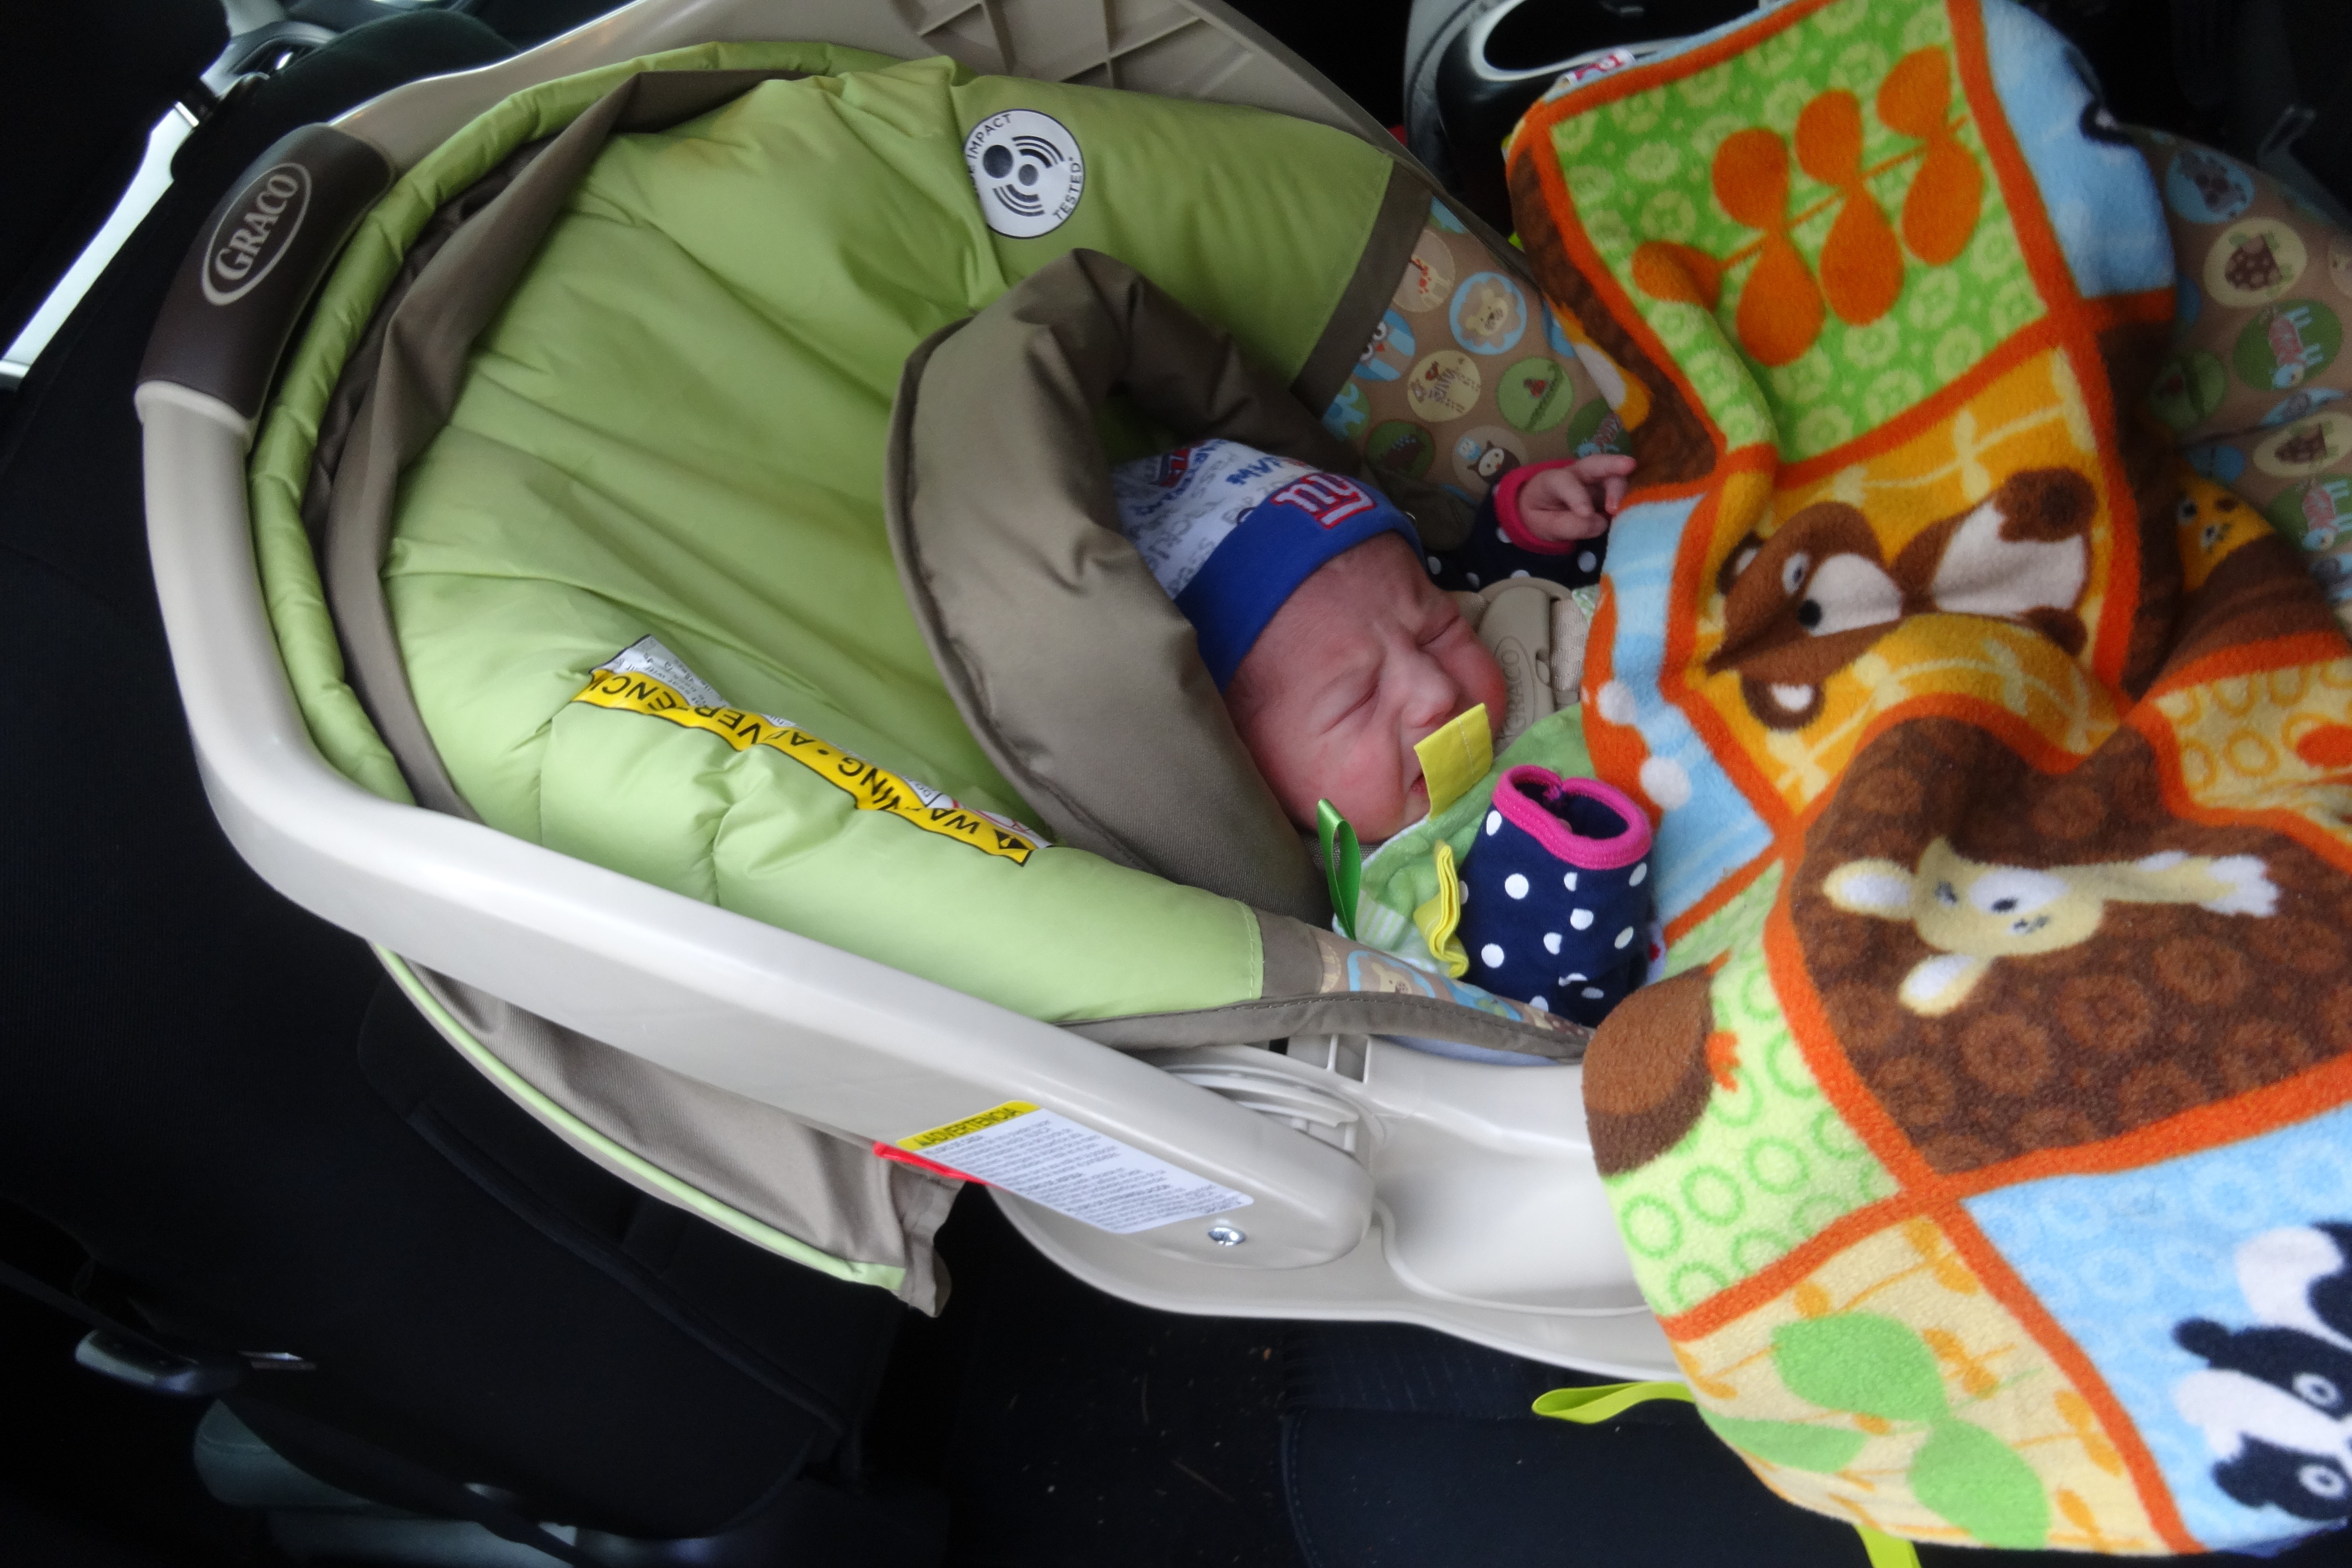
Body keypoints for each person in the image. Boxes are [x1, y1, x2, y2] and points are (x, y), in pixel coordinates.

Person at [1111, 438, 1652, 1020]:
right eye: (1361, 697)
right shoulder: (1310, 898)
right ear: (1245, 761)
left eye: (1436, 633)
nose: (1435, 692)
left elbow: (1480, 582)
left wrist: (1529, 533)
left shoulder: (1483, 621)